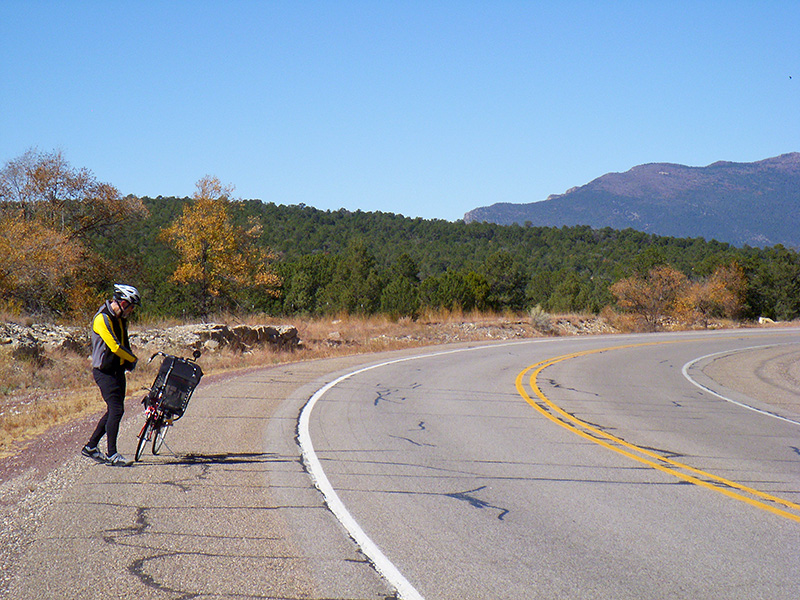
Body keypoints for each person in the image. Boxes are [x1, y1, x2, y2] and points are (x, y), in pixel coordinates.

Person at [82, 284, 141, 467]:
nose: (131, 311)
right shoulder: (102, 319)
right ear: (123, 303)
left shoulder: (120, 319)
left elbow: (124, 341)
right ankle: (112, 454)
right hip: (104, 372)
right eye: (131, 307)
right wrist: (133, 358)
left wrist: (127, 362)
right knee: (117, 410)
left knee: (113, 410)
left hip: (117, 370)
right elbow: (114, 346)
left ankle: (91, 447)